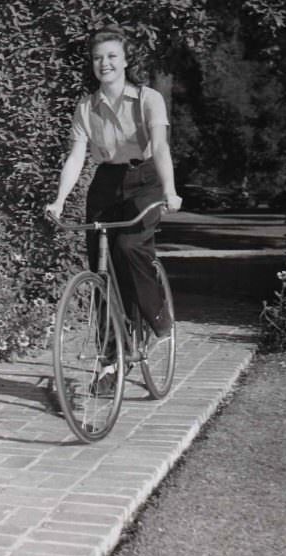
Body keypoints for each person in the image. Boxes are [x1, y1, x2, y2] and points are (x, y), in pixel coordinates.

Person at [46, 25, 183, 337]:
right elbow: (76, 157)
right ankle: (108, 361)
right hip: (106, 181)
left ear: (124, 61)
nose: (104, 63)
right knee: (102, 268)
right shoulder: (86, 106)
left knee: (130, 245)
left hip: (145, 178)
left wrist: (170, 190)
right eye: (97, 58)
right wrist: (59, 200)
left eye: (111, 56)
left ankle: (157, 315)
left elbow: (160, 146)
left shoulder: (148, 99)